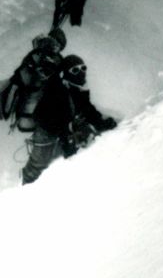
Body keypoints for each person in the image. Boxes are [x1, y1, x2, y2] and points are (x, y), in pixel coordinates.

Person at [21, 54, 117, 185]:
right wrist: (64, 134)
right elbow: (41, 116)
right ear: (65, 73)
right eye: (75, 70)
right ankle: (24, 185)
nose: (81, 72)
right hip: (46, 133)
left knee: (62, 159)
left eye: (83, 68)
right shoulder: (55, 90)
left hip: (64, 129)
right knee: (38, 165)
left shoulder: (77, 87)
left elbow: (87, 109)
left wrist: (101, 123)